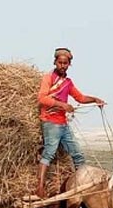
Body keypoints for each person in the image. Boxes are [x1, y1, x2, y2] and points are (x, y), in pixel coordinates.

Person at [35, 47, 105, 197]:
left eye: (65, 63)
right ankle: (39, 187)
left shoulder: (68, 82)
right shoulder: (48, 78)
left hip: (63, 124)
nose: (62, 66)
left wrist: (95, 99)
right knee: (49, 153)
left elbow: (80, 98)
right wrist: (63, 105)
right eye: (60, 63)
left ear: (69, 64)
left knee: (78, 154)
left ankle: (83, 186)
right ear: (55, 62)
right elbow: (42, 98)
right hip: (50, 122)